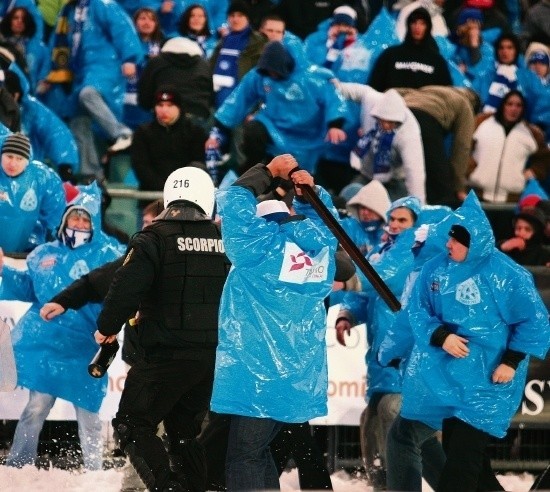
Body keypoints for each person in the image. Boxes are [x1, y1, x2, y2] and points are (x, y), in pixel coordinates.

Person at [401, 191, 550, 491]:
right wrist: (440, 336)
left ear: (473, 241)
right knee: (466, 457)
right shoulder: (438, 269)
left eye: (455, 240)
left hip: (489, 383)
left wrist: (511, 361)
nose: (448, 244)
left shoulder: (507, 274)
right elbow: (418, 310)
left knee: (461, 465)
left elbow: (534, 320)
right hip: (453, 380)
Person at [94, 167, 230, 492]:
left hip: (163, 354)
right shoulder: (224, 241)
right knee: (183, 434)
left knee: (131, 423)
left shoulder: (152, 238)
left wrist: (106, 328)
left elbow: (125, 288)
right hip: (209, 359)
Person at [210, 155, 339, 490]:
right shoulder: (320, 251)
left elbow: (234, 203)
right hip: (298, 376)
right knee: (259, 452)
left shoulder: (258, 250)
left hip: (258, 375)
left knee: (243, 455)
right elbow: (330, 225)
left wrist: (267, 171)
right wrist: (314, 193)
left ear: (262, 224)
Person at [3, 182, 125, 470]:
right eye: (74, 217)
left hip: (85, 345)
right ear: (65, 218)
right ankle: (19, 467)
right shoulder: (43, 254)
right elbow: (27, 289)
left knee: (89, 415)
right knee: (35, 408)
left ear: (94, 222)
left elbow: (121, 292)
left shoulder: (109, 253)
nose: (79, 223)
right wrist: (4, 271)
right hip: (48, 345)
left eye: (85, 218)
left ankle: (94, 472)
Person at [335, 195, 421, 488]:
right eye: (393, 219)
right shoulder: (381, 251)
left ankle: (400, 482)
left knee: (391, 414)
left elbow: (380, 280)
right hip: (381, 362)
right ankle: (382, 482)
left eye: (403, 220)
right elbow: (367, 297)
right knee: (370, 422)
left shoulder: (410, 252)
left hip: (405, 360)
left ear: (415, 225)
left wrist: (345, 279)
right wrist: (347, 315)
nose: (395, 225)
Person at [206, 41, 347, 175]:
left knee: (299, 177)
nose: (272, 75)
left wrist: (335, 124)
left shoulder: (314, 78)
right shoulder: (262, 74)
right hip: (273, 126)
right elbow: (240, 98)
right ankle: (252, 168)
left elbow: (333, 100)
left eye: (275, 71)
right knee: (253, 130)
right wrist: (220, 127)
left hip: (307, 134)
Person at [39, 0, 143, 179]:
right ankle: (91, 173)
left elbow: (122, 28)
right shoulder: (69, 11)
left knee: (87, 94)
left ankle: (122, 133)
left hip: (106, 64)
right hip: (81, 71)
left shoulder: (104, 4)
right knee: (77, 118)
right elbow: (57, 43)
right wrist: (51, 73)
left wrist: (130, 57)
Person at [337, 83, 426, 203]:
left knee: (391, 212)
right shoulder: (372, 101)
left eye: (390, 122)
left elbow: (415, 172)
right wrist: (331, 84)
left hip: (394, 180)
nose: (385, 125)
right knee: (348, 202)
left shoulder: (409, 133)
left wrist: (418, 208)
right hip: (367, 174)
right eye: (382, 120)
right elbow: (358, 91)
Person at [395, 85, 479, 204]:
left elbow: (396, 91)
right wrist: (458, 187)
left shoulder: (430, 89)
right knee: (442, 193)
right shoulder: (466, 104)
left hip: (399, 118)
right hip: (425, 122)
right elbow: (462, 147)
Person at [131, 87, 207, 208]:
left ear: (179, 107)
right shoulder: (142, 133)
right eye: (160, 105)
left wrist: (177, 190)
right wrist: (165, 189)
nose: (164, 110)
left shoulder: (195, 132)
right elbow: (141, 166)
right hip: (150, 201)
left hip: (184, 201)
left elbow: (197, 164)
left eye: (170, 105)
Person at [468, 89, 549, 203]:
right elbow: (464, 148)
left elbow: (545, 159)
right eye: (509, 104)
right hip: (477, 196)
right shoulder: (482, 123)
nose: (513, 109)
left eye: (518, 105)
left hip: (511, 200)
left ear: (523, 108)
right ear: (503, 105)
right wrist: (471, 169)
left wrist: (532, 172)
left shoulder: (531, 133)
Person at [4, 67, 79, 181]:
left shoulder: (31, 109)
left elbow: (55, 132)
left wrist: (65, 165)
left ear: (16, 95)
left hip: (27, 177)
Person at [0, 132, 66, 253]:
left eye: (19, 159)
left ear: (27, 161)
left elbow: (55, 212)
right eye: (9, 156)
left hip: (23, 252)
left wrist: (51, 238)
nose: (13, 163)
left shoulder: (42, 177)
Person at [368, 7, 452, 91]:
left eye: (422, 23)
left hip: (423, 103)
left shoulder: (437, 61)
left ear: (428, 27)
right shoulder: (390, 55)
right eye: (414, 22)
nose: (417, 27)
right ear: (408, 25)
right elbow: (373, 88)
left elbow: (445, 94)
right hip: (393, 102)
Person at [138, 36, 213, 128]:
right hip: (198, 116)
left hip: (166, 117)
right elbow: (211, 95)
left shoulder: (156, 63)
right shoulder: (204, 65)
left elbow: (144, 96)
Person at [210, 0, 267, 110]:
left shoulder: (258, 43)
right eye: (232, 15)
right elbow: (210, 67)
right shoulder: (221, 42)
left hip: (244, 103)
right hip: (217, 100)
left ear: (247, 18)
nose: (235, 19)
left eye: (240, 15)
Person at [123, 7, 165, 131]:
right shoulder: (125, 44)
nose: (147, 22)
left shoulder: (163, 44)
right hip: (127, 97)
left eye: (151, 20)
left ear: (156, 24)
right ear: (134, 22)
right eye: (142, 19)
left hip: (151, 98)